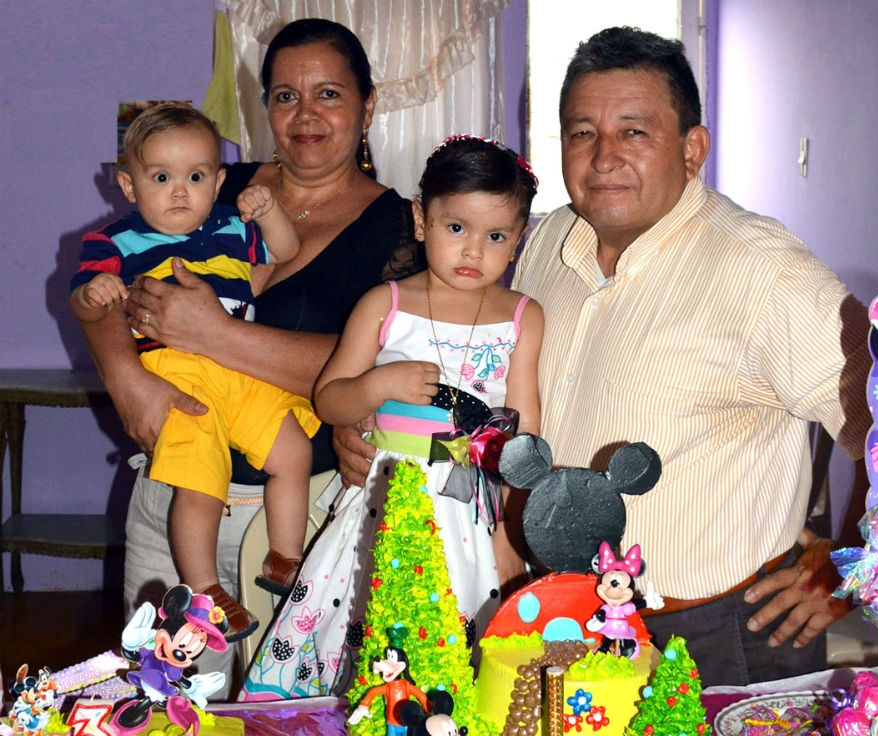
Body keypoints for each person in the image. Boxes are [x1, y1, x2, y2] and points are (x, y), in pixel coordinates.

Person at [338, 27, 873, 687]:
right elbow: (467, 375)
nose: (603, 157)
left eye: (634, 132)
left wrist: (855, 562)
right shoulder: (546, 240)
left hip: (714, 635)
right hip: (558, 619)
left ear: (693, 149)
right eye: (582, 132)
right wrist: (366, 421)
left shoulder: (764, 272)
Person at [78, 18, 423, 690]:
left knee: (282, 711)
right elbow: (104, 288)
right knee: (167, 701)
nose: (305, 114)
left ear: (368, 104)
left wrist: (215, 334)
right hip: (173, 493)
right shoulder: (210, 184)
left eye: (329, 94)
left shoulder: (400, 228)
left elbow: (373, 370)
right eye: (286, 96)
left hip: (299, 514)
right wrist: (126, 378)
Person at [240, 135, 543, 699]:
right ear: (422, 221)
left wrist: (509, 535)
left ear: (519, 238)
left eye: (496, 236)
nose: (473, 251)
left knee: (459, 653)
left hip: (471, 514)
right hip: (383, 498)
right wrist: (377, 386)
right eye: (457, 228)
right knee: (361, 630)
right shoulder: (386, 303)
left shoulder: (523, 315)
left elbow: (523, 435)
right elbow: (330, 400)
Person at [71, 103, 320, 642]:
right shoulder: (115, 241)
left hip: (240, 368)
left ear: (219, 181)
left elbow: (284, 252)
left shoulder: (232, 225)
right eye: (161, 178)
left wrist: (268, 212)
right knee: (203, 481)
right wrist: (95, 293)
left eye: (196, 177)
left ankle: (285, 557)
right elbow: (84, 301)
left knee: (292, 450)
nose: (180, 191)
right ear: (129, 185)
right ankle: (206, 588)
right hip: (176, 374)